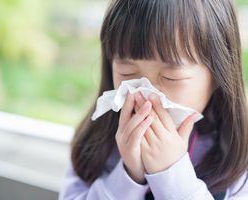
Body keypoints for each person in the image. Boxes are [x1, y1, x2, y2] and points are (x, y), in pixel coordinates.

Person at [59, 0, 248, 199]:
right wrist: (128, 176)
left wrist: (171, 173)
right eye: (127, 73)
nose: (147, 96)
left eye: (171, 77)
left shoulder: (240, 157)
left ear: (219, 75)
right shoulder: (95, 141)